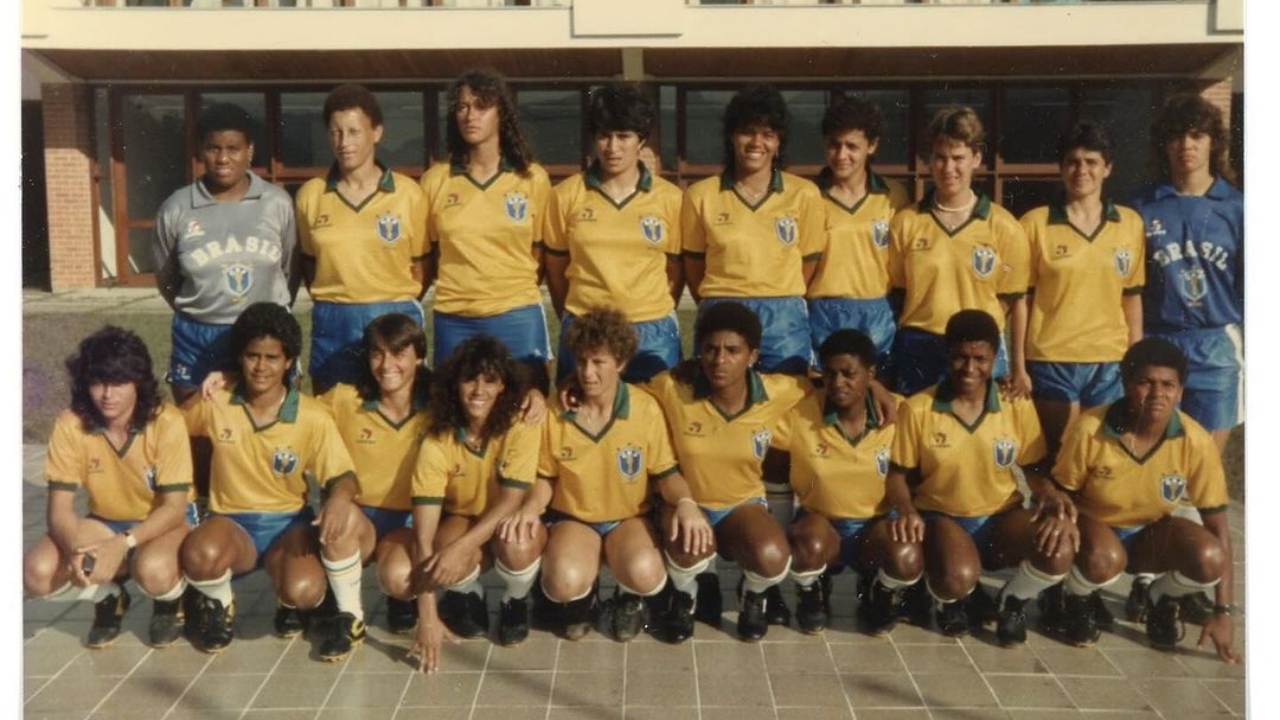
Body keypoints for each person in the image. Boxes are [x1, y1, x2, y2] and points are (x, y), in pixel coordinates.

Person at [178, 303, 369, 661]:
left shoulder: (311, 414)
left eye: (271, 357)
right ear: (240, 357)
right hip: (231, 522)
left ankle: (289, 600)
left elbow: (342, 475)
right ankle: (219, 605)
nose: (261, 367)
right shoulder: (216, 401)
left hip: (287, 523)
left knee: (304, 590)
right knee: (198, 554)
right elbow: (167, 427)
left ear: (288, 361)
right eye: (252, 356)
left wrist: (340, 499)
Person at [508, 306, 710, 642]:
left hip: (628, 518)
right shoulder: (558, 409)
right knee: (563, 581)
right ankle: (582, 600)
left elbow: (666, 473)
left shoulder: (644, 408)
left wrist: (687, 502)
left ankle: (627, 596)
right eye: (582, 361)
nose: (587, 372)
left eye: (598, 362)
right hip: (575, 518)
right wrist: (531, 508)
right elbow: (546, 477)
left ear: (620, 363)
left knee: (644, 573)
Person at [886, 309, 1077, 645]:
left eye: (980, 358)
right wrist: (905, 509)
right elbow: (898, 475)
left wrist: (1049, 493)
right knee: (956, 579)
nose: (970, 368)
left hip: (1000, 517)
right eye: (960, 357)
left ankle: (1012, 600)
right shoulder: (918, 408)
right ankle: (951, 598)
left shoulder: (1013, 404)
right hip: (945, 518)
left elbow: (1033, 468)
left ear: (994, 358)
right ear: (948, 355)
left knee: (1059, 545)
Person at [1046, 338, 1238, 663]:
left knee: (1210, 557)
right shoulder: (1090, 428)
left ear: (1180, 390)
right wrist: (1061, 515)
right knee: (1105, 558)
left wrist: (1224, 612)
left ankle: (1160, 599)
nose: (1157, 395)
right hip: (1097, 533)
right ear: (1125, 383)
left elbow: (1218, 526)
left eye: (1168, 385)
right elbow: (1061, 490)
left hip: (1149, 535)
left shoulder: (1196, 441)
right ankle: (1076, 597)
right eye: (1145, 383)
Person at [646, 301, 810, 641]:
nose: (720, 360)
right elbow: (624, 396)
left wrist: (878, 389)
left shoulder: (775, 392)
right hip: (686, 504)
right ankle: (686, 595)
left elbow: (820, 386)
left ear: (752, 356)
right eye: (710, 349)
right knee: (687, 547)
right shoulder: (673, 388)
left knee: (773, 557)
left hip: (741, 505)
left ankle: (752, 595)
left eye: (732, 350)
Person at [23, 327, 195, 649]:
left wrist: (124, 544)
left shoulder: (166, 421)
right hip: (107, 520)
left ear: (138, 384)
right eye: (98, 382)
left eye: (119, 383)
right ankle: (109, 596)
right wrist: (75, 548)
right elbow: (59, 509)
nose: (107, 394)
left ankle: (171, 602)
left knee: (153, 570)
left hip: (163, 522)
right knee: (37, 573)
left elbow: (174, 508)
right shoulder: (70, 423)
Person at [769, 329, 920, 635]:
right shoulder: (799, 414)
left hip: (875, 527)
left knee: (907, 555)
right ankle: (811, 590)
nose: (838, 383)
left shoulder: (899, 412)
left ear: (871, 374)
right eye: (831, 373)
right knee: (805, 542)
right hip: (821, 524)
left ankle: (881, 591)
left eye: (849, 373)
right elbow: (775, 474)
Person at [406, 335, 543, 672]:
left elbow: (512, 500)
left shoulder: (520, 424)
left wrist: (463, 548)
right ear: (454, 384)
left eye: (490, 380)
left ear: (503, 387)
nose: (478, 390)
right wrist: (427, 616)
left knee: (518, 542)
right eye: (470, 379)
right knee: (439, 549)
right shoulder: (437, 439)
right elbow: (422, 538)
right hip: (465, 517)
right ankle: (470, 596)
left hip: (510, 517)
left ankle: (515, 600)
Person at [152, 102, 300, 404]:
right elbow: (167, 279)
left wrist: (267, 318)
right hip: (198, 335)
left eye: (233, 148)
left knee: (270, 427)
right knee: (199, 428)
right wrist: (203, 309)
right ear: (199, 151)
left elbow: (289, 272)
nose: (222, 158)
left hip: (263, 337)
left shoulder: (277, 202)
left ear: (250, 150)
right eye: (212, 148)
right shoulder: (176, 207)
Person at [420, 68, 554, 391]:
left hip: (516, 313)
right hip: (455, 316)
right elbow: (430, 254)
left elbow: (538, 252)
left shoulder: (532, 178)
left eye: (481, 106)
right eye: (463, 107)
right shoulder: (435, 180)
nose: (470, 115)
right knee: (456, 413)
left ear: (501, 114)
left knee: (524, 408)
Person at [681, 84, 826, 375]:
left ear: (778, 142)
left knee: (787, 400)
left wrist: (776, 292)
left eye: (768, 135)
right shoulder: (700, 194)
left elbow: (809, 262)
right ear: (732, 136)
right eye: (747, 131)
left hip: (782, 314)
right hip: (722, 309)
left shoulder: (804, 193)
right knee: (718, 398)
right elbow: (694, 265)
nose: (756, 142)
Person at [1021, 121, 1145, 460]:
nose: (1082, 170)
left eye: (1091, 161)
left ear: (1108, 168)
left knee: (1103, 455)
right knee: (1061, 455)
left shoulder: (1130, 223)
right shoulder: (1034, 223)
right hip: (1052, 356)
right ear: (1061, 168)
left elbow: (1131, 298)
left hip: (1109, 358)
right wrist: (1018, 364)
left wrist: (1137, 359)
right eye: (1073, 161)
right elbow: (1023, 302)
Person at [545, 83, 684, 384]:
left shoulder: (671, 199)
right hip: (585, 327)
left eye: (623, 136)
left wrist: (646, 306)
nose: (612, 147)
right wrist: (578, 318)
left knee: (656, 421)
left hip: (651, 329)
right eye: (604, 135)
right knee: (581, 421)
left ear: (641, 140)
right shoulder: (565, 195)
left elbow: (675, 271)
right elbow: (555, 273)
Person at [295, 84, 429, 395]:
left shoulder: (409, 193)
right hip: (334, 317)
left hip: (393, 315)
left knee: (399, 410)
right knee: (334, 411)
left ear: (377, 132)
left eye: (354, 131)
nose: (344, 142)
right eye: (335, 132)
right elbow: (309, 265)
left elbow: (423, 267)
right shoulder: (311, 195)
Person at [887, 106, 1030, 396]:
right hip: (920, 347)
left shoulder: (1004, 226)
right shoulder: (906, 222)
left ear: (976, 158)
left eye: (958, 158)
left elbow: (1014, 302)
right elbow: (899, 295)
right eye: (940, 157)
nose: (948, 168)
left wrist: (1019, 367)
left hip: (979, 351)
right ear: (930, 160)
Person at [1131, 95, 1243, 456]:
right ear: (1164, 145)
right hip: (1159, 340)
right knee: (1157, 458)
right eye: (1177, 136)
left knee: (1204, 464)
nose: (1186, 146)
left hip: (1215, 342)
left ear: (1213, 142)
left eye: (1197, 135)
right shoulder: (1142, 207)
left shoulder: (1238, 208)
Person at [316, 313, 434, 636]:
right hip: (360, 518)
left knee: (399, 578)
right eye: (377, 353)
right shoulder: (344, 398)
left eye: (399, 354)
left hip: (408, 523)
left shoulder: (437, 407)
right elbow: (294, 412)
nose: (386, 365)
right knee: (337, 518)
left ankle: (399, 598)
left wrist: (534, 396)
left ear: (419, 357)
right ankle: (349, 617)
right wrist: (226, 382)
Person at [807, 93, 911, 371]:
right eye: (834, 145)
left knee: (877, 395)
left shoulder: (894, 196)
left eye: (852, 146)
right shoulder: (808, 196)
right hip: (823, 311)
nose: (842, 155)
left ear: (872, 146)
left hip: (877, 310)